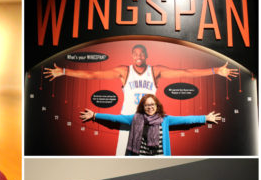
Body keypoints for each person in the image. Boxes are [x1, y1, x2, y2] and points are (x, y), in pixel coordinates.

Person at [43, 44, 238, 155]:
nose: (139, 56)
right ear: (132, 56)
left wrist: (216, 70)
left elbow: (185, 72)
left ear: (146, 55)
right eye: (135, 53)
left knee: (155, 153)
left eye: (142, 53)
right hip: (129, 120)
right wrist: (64, 71)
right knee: (125, 157)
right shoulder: (123, 71)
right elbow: (93, 75)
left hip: (150, 123)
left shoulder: (156, 71)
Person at [79, 94, 221, 156]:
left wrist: (205, 118)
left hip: (160, 157)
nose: (150, 107)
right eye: (147, 105)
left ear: (156, 105)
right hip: (138, 156)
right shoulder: (135, 118)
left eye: (152, 105)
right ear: (143, 107)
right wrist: (95, 115)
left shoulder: (164, 119)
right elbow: (115, 119)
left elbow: (185, 120)